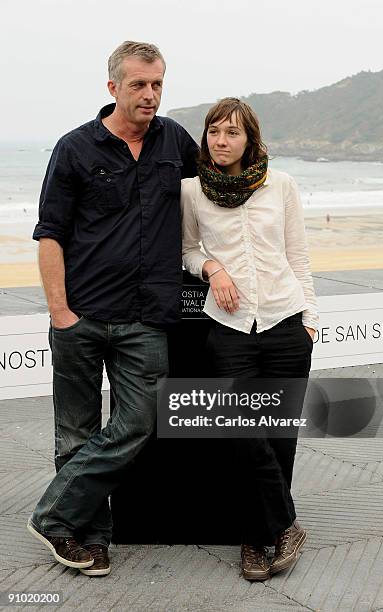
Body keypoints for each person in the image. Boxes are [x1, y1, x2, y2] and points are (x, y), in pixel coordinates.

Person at [27, 40, 198, 576]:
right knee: (75, 432)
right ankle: (88, 535)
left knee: (138, 423)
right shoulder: (75, 148)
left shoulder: (175, 140)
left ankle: (53, 514)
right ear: (113, 88)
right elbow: (50, 233)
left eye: (158, 84)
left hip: (146, 319)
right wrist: (60, 314)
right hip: (80, 315)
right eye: (138, 85)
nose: (150, 95)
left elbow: (215, 193)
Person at [181, 98, 318, 581]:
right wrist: (212, 267)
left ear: (249, 139)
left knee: (280, 438)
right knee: (241, 434)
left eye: (232, 133)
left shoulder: (281, 185)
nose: (221, 141)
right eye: (214, 132)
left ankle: (256, 540)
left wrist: (310, 320)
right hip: (230, 328)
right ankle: (283, 525)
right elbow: (187, 250)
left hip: (285, 322)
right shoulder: (192, 191)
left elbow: (298, 255)